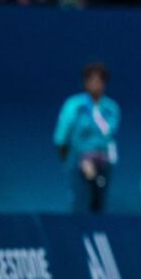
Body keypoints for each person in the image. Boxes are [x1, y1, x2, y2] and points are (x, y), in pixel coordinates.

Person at [54, 63, 121, 213]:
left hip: (104, 161)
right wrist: (72, 160)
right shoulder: (74, 105)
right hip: (78, 160)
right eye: (91, 79)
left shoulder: (111, 108)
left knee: (99, 200)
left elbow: (110, 135)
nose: (95, 84)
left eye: (99, 80)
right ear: (85, 82)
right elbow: (61, 138)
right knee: (81, 200)